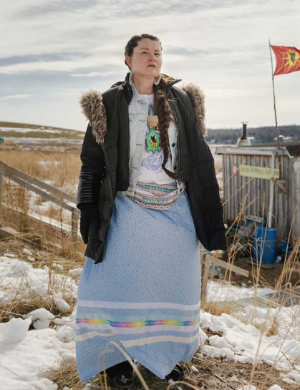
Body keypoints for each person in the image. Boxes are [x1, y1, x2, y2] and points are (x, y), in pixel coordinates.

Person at [75, 33, 227, 389]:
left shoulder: (183, 100)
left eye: (157, 52)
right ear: (128, 59)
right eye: (144, 52)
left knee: (174, 284)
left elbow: (199, 156)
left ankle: (167, 358)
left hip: (175, 206)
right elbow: (91, 163)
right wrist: (87, 208)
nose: (152, 57)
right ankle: (115, 362)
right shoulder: (109, 102)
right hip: (128, 203)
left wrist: (208, 210)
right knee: (115, 282)